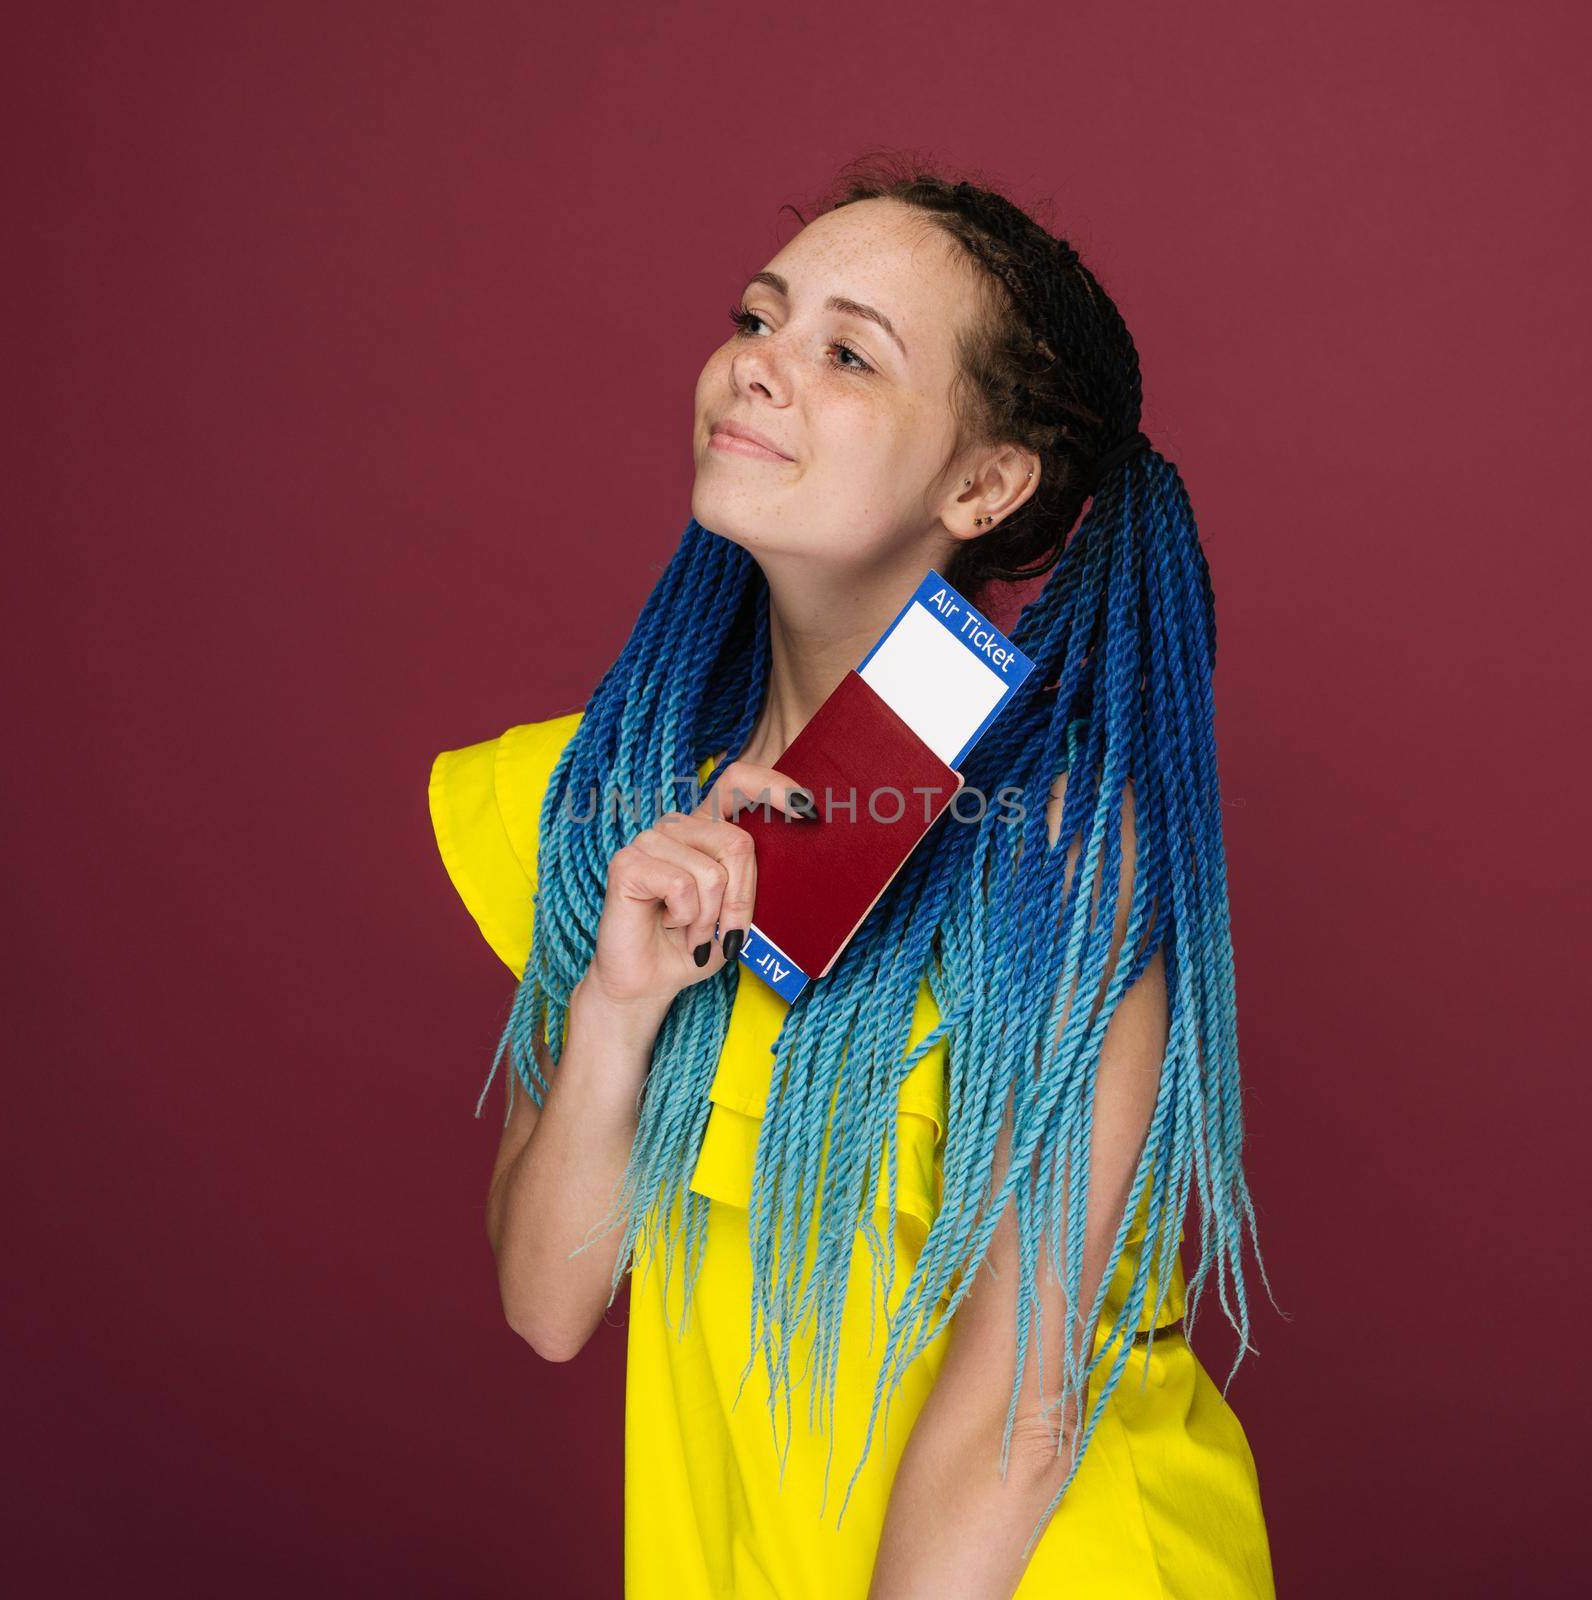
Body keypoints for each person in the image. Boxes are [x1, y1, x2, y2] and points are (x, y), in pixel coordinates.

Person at [428, 159, 1278, 1598]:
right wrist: (622, 1011)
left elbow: (1025, 1404)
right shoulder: (600, 801)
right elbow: (548, 1306)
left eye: (844, 353)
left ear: (984, 482)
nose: (761, 368)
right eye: (759, 319)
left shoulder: (1060, 842)